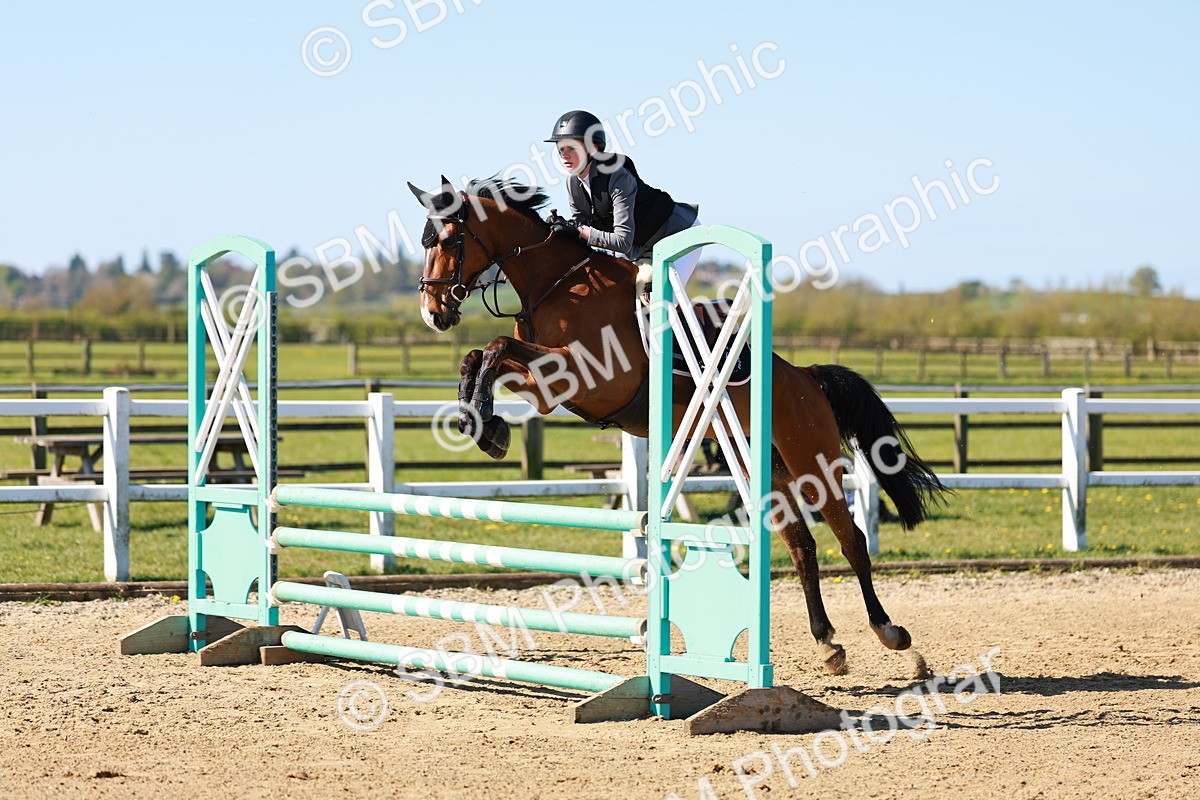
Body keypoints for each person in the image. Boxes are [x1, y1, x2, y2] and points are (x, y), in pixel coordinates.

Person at [544, 110, 702, 286]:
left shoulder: (618, 176)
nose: (564, 155)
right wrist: (559, 231)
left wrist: (578, 230)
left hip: (678, 235)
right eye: (560, 149)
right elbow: (582, 229)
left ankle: (694, 312)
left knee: (661, 302)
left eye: (571, 148)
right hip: (640, 248)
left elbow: (622, 241)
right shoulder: (573, 183)